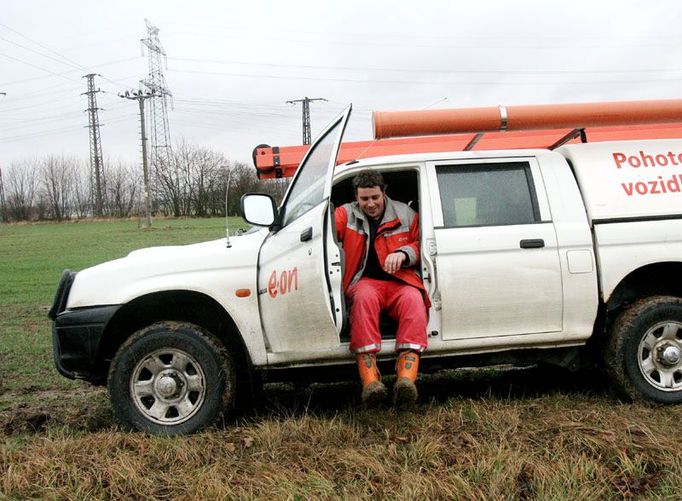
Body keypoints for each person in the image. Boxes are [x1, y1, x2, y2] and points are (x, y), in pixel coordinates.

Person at [334, 169, 430, 408]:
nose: (370, 204)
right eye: (364, 199)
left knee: (414, 300)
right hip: (364, 283)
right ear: (356, 197)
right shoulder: (344, 214)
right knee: (364, 299)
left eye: (375, 197)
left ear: (383, 192)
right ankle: (371, 383)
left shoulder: (406, 214)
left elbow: (423, 244)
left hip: (401, 281)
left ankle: (406, 381)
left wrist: (403, 253)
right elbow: (321, 233)